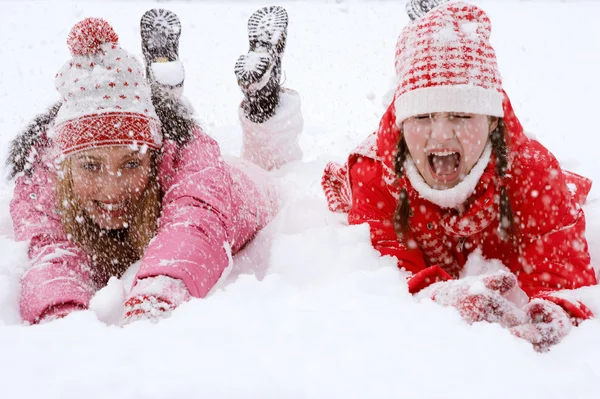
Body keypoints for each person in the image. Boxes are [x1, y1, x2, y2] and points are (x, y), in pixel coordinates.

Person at [321, 0, 597, 351]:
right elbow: (385, 276)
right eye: (422, 118)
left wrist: (551, 313)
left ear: (492, 120)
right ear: (402, 123)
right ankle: (429, 40)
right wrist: (437, 295)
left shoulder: (532, 173)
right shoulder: (376, 172)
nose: (440, 135)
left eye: (461, 116)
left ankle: (434, 39)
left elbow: (562, 274)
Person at [8, 6, 302, 325]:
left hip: (247, 187)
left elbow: (194, 224)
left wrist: (155, 298)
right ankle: (167, 94)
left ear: (154, 157)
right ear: (64, 163)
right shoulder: (42, 177)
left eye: (131, 163)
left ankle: (264, 107)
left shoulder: (194, 166)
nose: (112, 188)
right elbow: (51, 253)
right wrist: (59, 318)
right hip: (167, 137)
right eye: (91, 166)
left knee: (277, 170)